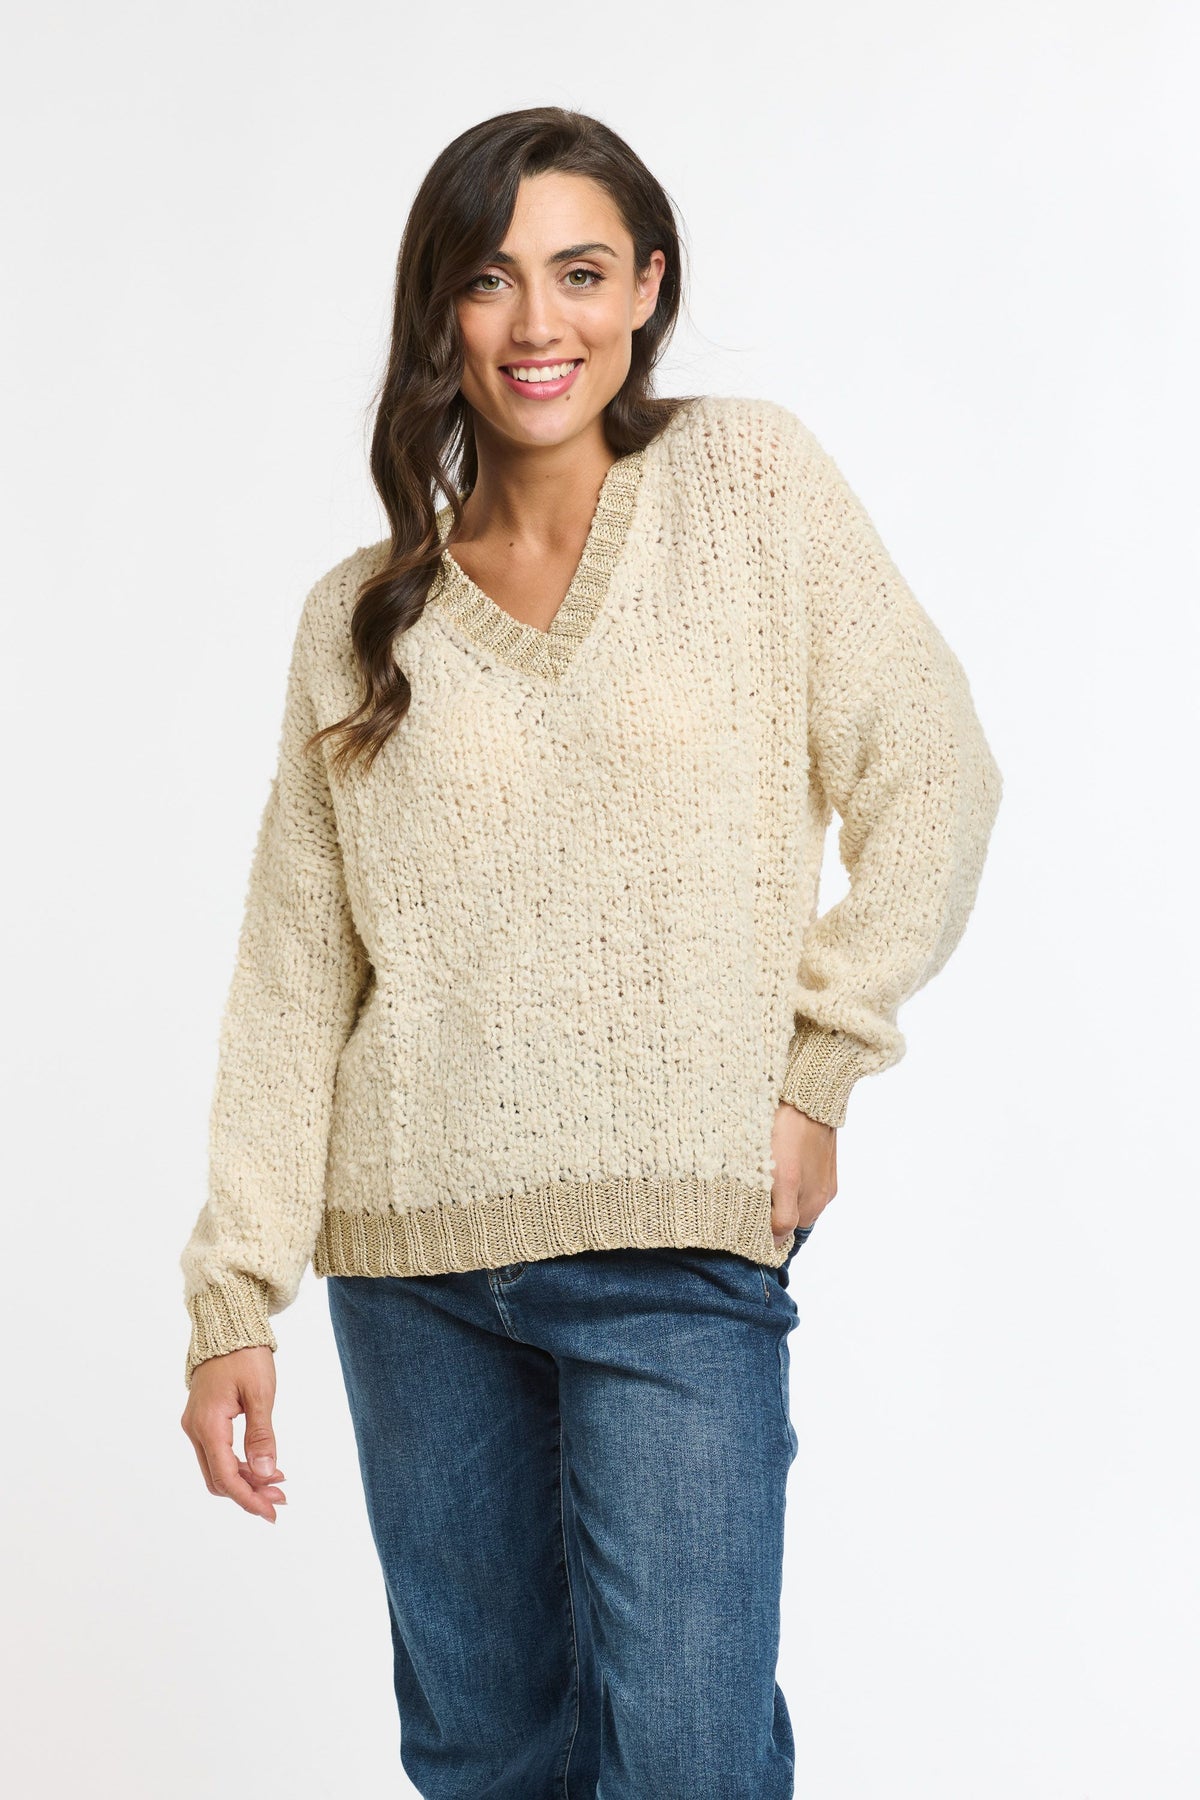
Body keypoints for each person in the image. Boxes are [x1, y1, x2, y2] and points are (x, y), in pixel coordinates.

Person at [179, 106, 1002, 1800]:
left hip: (676, 1250)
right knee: (488, 1762)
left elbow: (935, 773)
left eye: (579, 272)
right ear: (441, 308)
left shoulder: (749, 487)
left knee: (688, 1760)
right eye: (490, 280)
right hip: (412, 1268)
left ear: (648, 289)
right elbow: (293, 972)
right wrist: (232, 1297)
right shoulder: (361, 617)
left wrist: (819, 1068)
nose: (535, 323)